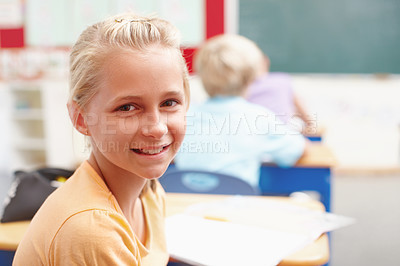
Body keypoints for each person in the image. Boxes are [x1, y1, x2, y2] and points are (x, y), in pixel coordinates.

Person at [13, 13, 189, 265]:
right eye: (127, 107)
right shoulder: (91, 230)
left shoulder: (149, 191)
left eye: (169, 103)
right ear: (82, 118)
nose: (158, 128)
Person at [174, 34, 307, 188]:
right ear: (250, 78)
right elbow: (298, 150)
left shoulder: (183, 116)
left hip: (187, 206)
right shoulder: (260, 117)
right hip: (236, 207)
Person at [246, 55, 317, 135]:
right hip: (282, 134)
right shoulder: (283, 80)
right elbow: (306, 117)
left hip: (254, 134)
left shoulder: (243, 88)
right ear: (266, 61)